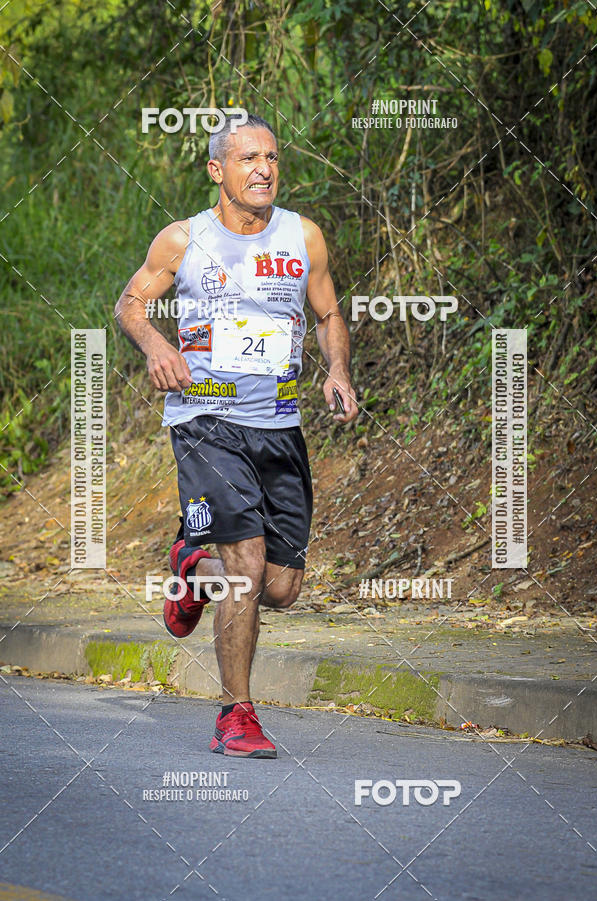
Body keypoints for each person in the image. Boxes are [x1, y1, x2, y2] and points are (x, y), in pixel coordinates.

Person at [115, 112, 358, 758]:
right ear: (217, 171)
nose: (264, 169)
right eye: (248, 158)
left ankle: (195, 567)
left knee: (280, 586)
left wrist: (337, 368)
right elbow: (130, 303)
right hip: (204, 424)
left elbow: (329, 311)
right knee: (248, 565)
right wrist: (154, 343)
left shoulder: (303, 237)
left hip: (278, 427)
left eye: (272, 157)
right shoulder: (183, 240)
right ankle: (236, 712)